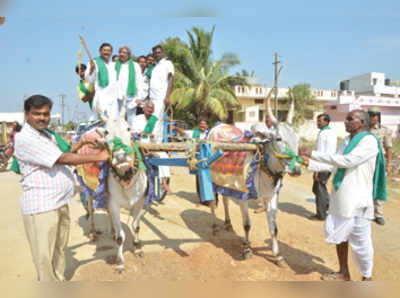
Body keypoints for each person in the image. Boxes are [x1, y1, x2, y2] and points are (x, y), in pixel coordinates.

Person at [14, 95, 109, 281]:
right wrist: (100, 158)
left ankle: (59, 282)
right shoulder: (25, 138)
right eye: (37, 114)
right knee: (44, 256)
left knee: (59, 248)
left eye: (46, 113)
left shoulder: (47, 134)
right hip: (42, 207)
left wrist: (82, 143)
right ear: (27, 115)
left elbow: (64, 152)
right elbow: (62, 159)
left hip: (58, 203)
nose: (42, 117)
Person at [299, 109, 386, 281]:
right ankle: (343, 272)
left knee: (361, 243)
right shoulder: (347, 140)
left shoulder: (369, 141)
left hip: (357, 200)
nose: (345, 122)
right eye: (346, 119)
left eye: (350, 119)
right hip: (340, 197)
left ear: (362, 122)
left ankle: (366, 278)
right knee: (340, 236)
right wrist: (310, 164)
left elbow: (348, 161)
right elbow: (335, 164)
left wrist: (313, 153)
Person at [131, 101, 172, 194]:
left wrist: (152, 136)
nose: (150, 110)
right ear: (144, 109)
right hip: (140, 145)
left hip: (152, 145)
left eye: (151, 108)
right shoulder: (137, 119)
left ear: (153, 110)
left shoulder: (155, 121)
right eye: (148, 107)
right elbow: (133, 133)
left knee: (164, 156)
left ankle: (164, 182)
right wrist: (140, 133)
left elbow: (157, 135)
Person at [310, 113, 337, 220]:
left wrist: (316, 169)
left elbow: (321, 153)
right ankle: (329, 206)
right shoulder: (332, 133)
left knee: (319, 188)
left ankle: (321, 214)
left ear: (326, 122)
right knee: (318, 188)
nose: (318, 123)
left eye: (320, 121)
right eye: (318, 121)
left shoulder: (323, 134)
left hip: (323, 165)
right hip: (330, 164)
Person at [368, 107, 391, 225]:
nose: (371, 117)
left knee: (379, 185)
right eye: (369, 114)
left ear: (378, 117)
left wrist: (388, 164)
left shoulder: (384, 130)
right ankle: (367, 211)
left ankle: (378, 214)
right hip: (366, 162)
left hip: (379, 161)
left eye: (373, 115)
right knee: (366, 185)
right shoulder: (363, 129)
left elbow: (388, 147)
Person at [85, 43, 119, 120]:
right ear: (100, 51)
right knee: (103, 121)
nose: (106, 52)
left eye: (109, 51)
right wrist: (91, 69)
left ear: (111, 53)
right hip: (102, 99)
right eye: (104, 50)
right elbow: (88, 79)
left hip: (113, 100)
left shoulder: (113, 65)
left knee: (114, 122)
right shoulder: (94, 63)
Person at [252, 113, 277, 214]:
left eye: (269, 120)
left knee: (272, 184)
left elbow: (272, 140)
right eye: (266, 120)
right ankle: (264, 205)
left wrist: (264, 136)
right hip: (265, 161)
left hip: (273, 162)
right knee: (262, 183)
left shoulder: (276, 131)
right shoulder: (266, 131)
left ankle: (268, 204)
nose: (267, 122)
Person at [148, 45, 174, 141]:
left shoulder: (168, 63)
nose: (157, 54)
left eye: (159, 52)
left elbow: (171, 79)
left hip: (161, 97)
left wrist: (167, 97)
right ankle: (155, 142)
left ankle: (156, 143)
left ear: (162, 53)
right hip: (152, 98)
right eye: (155, 53)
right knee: (154, 120)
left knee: (156, 120)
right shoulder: (154, 67)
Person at [115, 46, 142, 125]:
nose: (121, 54)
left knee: (131, 121)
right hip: (117, 98)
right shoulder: (114, 65)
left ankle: (131, 137)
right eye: (120, 52)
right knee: (117, 120)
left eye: (124, 52)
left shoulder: (135, 65)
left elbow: (139, 82)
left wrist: (139, 97)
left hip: (131, 98)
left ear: (129, 55)